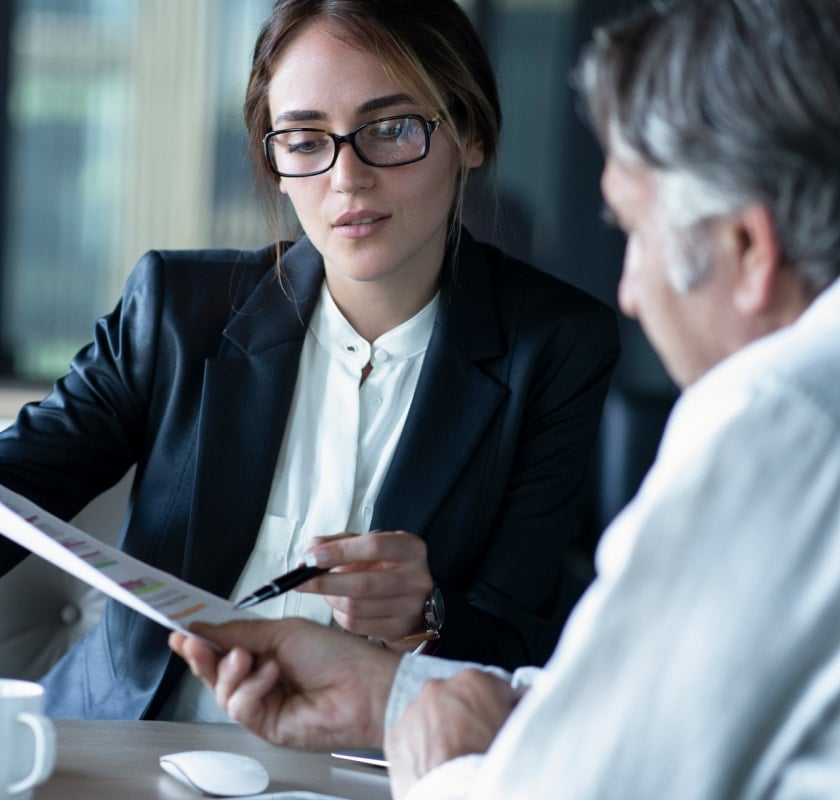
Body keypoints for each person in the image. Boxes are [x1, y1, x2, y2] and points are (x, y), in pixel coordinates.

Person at [170, 0, 840, 797]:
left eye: (636, 234)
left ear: (746, 249)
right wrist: (392, 699)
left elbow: (594, 781)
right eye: (306, 139)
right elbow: (636, 717)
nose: (628, 290)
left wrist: (445, 767)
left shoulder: (777, 420)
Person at [0, 0, 619, 720]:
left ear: (470, 133)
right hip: (129, 752)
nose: (346, 178)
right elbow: (19, 482)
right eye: (303, 140)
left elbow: (519, 644)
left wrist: (426, 615)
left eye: (391, 129)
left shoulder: (555, 347)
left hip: (365, 770)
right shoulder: (175, 309)